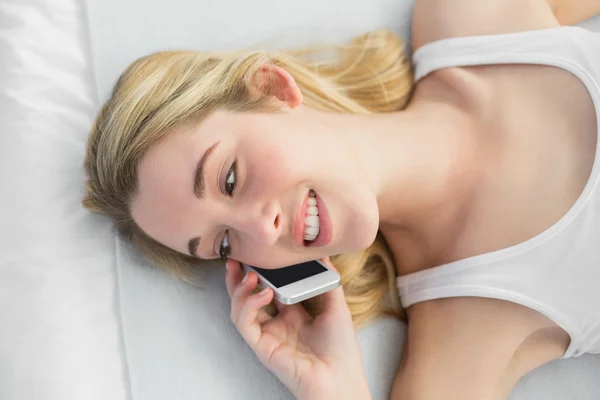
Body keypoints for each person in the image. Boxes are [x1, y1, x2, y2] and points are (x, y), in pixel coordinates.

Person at [82, 0, 600, 399]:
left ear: (271, 88)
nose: (261, 232)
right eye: (223, 243)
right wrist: (335, 388)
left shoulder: (475, 19)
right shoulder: (463, 342)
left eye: (231, 178)